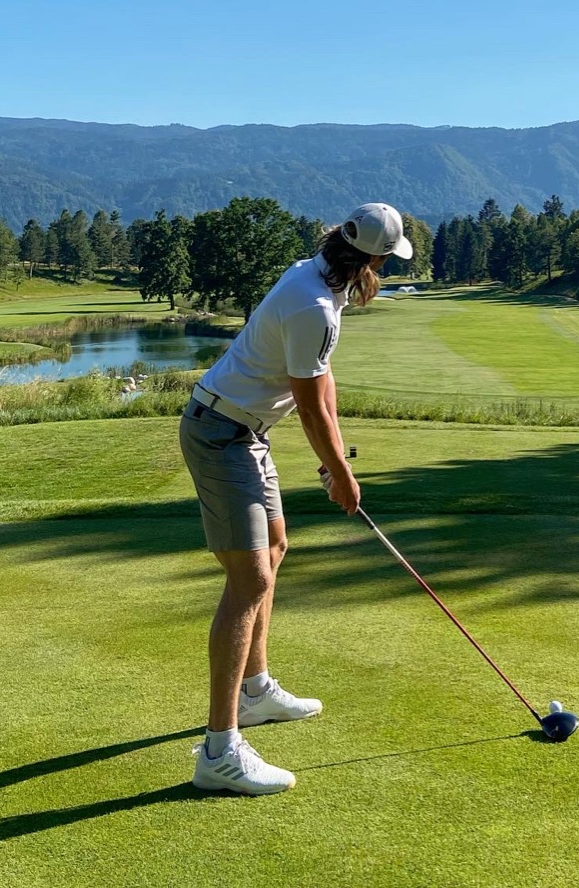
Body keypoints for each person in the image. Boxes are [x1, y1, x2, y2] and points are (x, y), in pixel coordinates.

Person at [181, 202, 413, 795]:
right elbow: (308, 408)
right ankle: (219, 750)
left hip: (245, 433)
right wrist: (341, 474)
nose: (384, 271)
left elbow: (322, 384)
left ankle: (255, 692)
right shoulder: (313, 305)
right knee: (250, 581)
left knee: (276, 548)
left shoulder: (315, 280)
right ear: (370, 260)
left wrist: (336, 464)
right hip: (220, 433)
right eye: (386, 261)